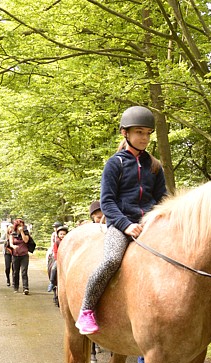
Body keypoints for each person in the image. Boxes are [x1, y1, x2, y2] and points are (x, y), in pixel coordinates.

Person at [75, 106, 167, 334]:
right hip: (121, 223)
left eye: (147, 133)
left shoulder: (155, 166)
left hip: (149, 222)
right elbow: (107, 202)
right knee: (111, 261)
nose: (144, 138)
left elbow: (162, 197)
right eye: (139, 132)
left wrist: (161, 217)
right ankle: (87, 310)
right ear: (125, 133)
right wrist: (126, 225)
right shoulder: (114, 164)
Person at [8, 218, 31, 295]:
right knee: (15, 272)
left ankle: (25, 288)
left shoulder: (25, 232)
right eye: (19, 226)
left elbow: (26, 240)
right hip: (15, 255)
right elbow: (10, 243)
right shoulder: (12, 234)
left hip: (24, 255)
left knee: (24, 271)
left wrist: (22, 232)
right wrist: (13, 246)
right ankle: (16, 287)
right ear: (16, 226)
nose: (21, 227)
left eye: (22, 225)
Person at [49, 225, 68, 306]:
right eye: (61, 234)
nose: (62, 236)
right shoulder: (57, 242)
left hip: (67, 258)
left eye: (64, 234)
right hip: (59, 259)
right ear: (58, 235)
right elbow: (56, 252)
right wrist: (58, 259)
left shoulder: (69, 242)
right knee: (54, 268)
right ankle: (52, 282)